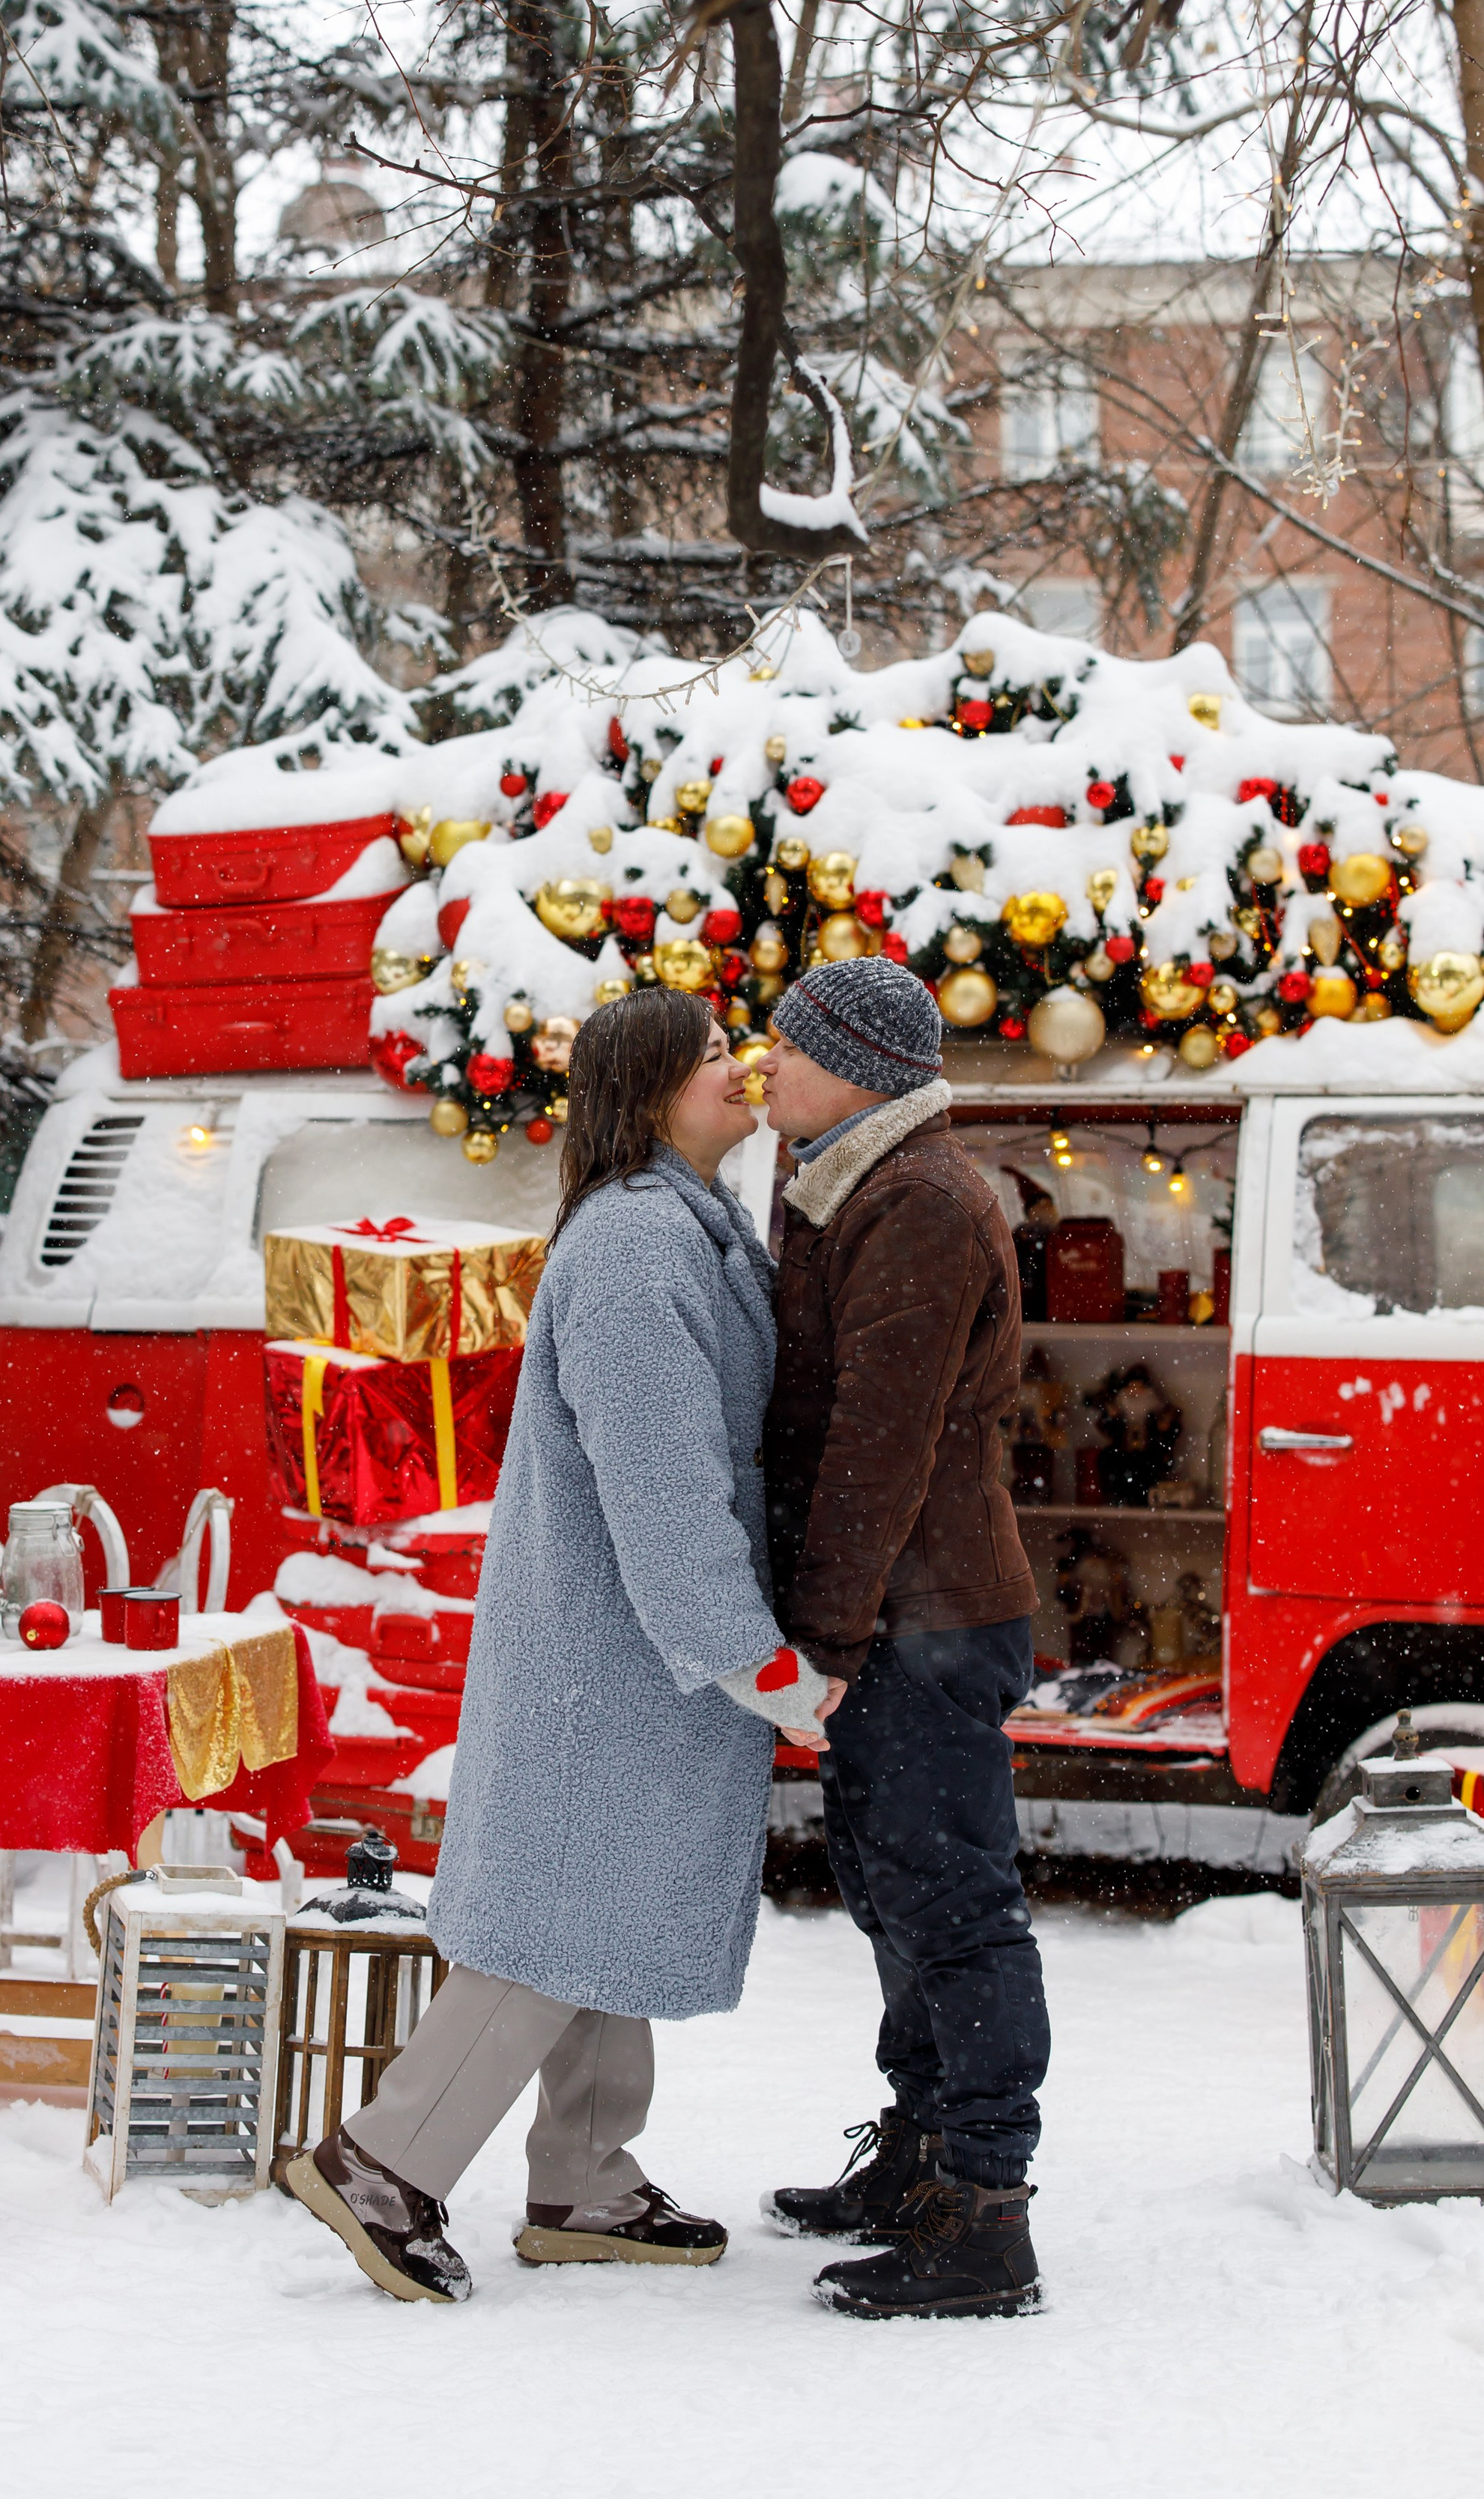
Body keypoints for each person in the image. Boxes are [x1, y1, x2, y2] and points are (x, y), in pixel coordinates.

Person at [285, 988, 834, 2303]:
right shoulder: (643, 1247)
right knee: (553, 1924)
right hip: (619, 1658)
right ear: (648, 1095)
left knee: (610, 1907)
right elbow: (662, 1484)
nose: (741, 1074)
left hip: (629, 1655)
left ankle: (586, 2174)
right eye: (713, 1061)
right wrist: (755, 1659)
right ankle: (381, 2164)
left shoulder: (676, 1226)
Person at [757, 954, 1049, 2321]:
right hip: (898, 1613)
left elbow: (876, 1441)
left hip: (925, 1615)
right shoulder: (842, 1181)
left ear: (858, 1066)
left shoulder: (919, 1201)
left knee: (954, 1907)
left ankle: (988, 2215)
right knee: (891, 1894)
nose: (763, 1060)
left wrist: (821, 1633)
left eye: (788, 1044)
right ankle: (925, 2155)